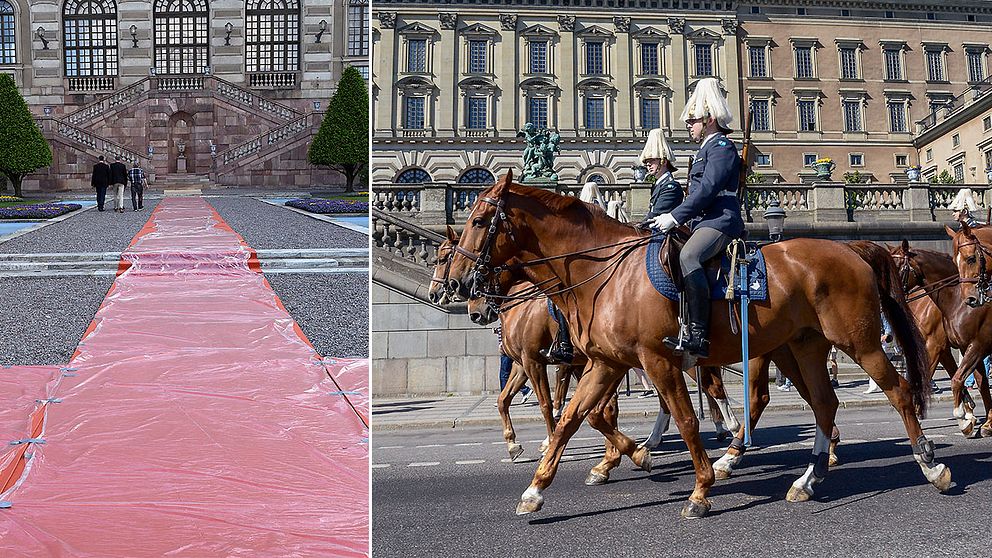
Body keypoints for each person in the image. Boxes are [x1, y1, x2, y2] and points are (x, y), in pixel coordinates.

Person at [650, 78, 745, 358]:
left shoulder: (722, 148)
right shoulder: (705, 149)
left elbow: (707, 189)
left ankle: (698, 333)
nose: (689, 126)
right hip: (703, 221)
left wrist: (674, 216)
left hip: (721, 220)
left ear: (710, 120)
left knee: (689, 256)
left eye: (693, 120)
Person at [640, 128, 684, 220]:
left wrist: (639, 225)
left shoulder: (671, 187)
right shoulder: (660, 184)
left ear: (663, 162)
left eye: (652, 160)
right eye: (646, 161)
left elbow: (657, 214)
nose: (648, 164)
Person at [495, 324, 531, 405]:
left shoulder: (506, 320)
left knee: (504, 375)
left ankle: (504, 398)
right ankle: (524, 390)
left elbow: (507, 334)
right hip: (507, 348)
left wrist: (502, 345)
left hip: (506, 349)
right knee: (508, 375)